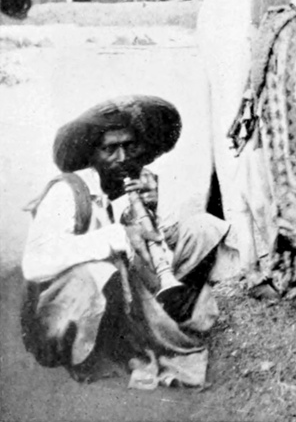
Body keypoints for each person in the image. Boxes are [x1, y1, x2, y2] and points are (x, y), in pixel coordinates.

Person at [21, 95, 234, 387]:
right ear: (91, 152)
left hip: (122, 293)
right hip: (65, 316)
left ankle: (168, 311)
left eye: (129, 146)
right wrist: (116, 237)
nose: (121, 157)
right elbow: (34, 264)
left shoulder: (127, 182)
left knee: (201, 228)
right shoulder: (67, 192)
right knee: (96, 271)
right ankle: (111, 345)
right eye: (110, 149)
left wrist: (150, 210)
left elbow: (153, 244)